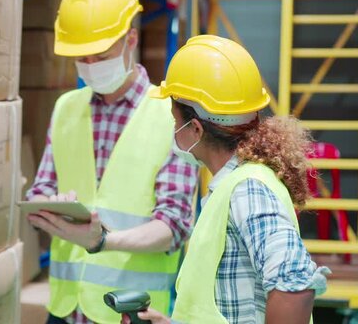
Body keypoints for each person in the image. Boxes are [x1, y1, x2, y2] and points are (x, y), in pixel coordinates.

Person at [25, 0, 199, 324]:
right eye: (81, 59)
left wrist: (103, 241)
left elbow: (174, 226)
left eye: (99, 56)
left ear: (130, 40)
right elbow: (43, 187)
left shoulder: (170, 116)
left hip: (131, 311)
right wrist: (48, 209)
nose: (90, 66)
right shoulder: (66, 108)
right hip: (64, 308)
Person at [126, 35, 330, 324]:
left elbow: (295, 284)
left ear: (195, 129)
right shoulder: (235, 185)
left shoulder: (248, 189)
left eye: (175, 122)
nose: (173, 131)